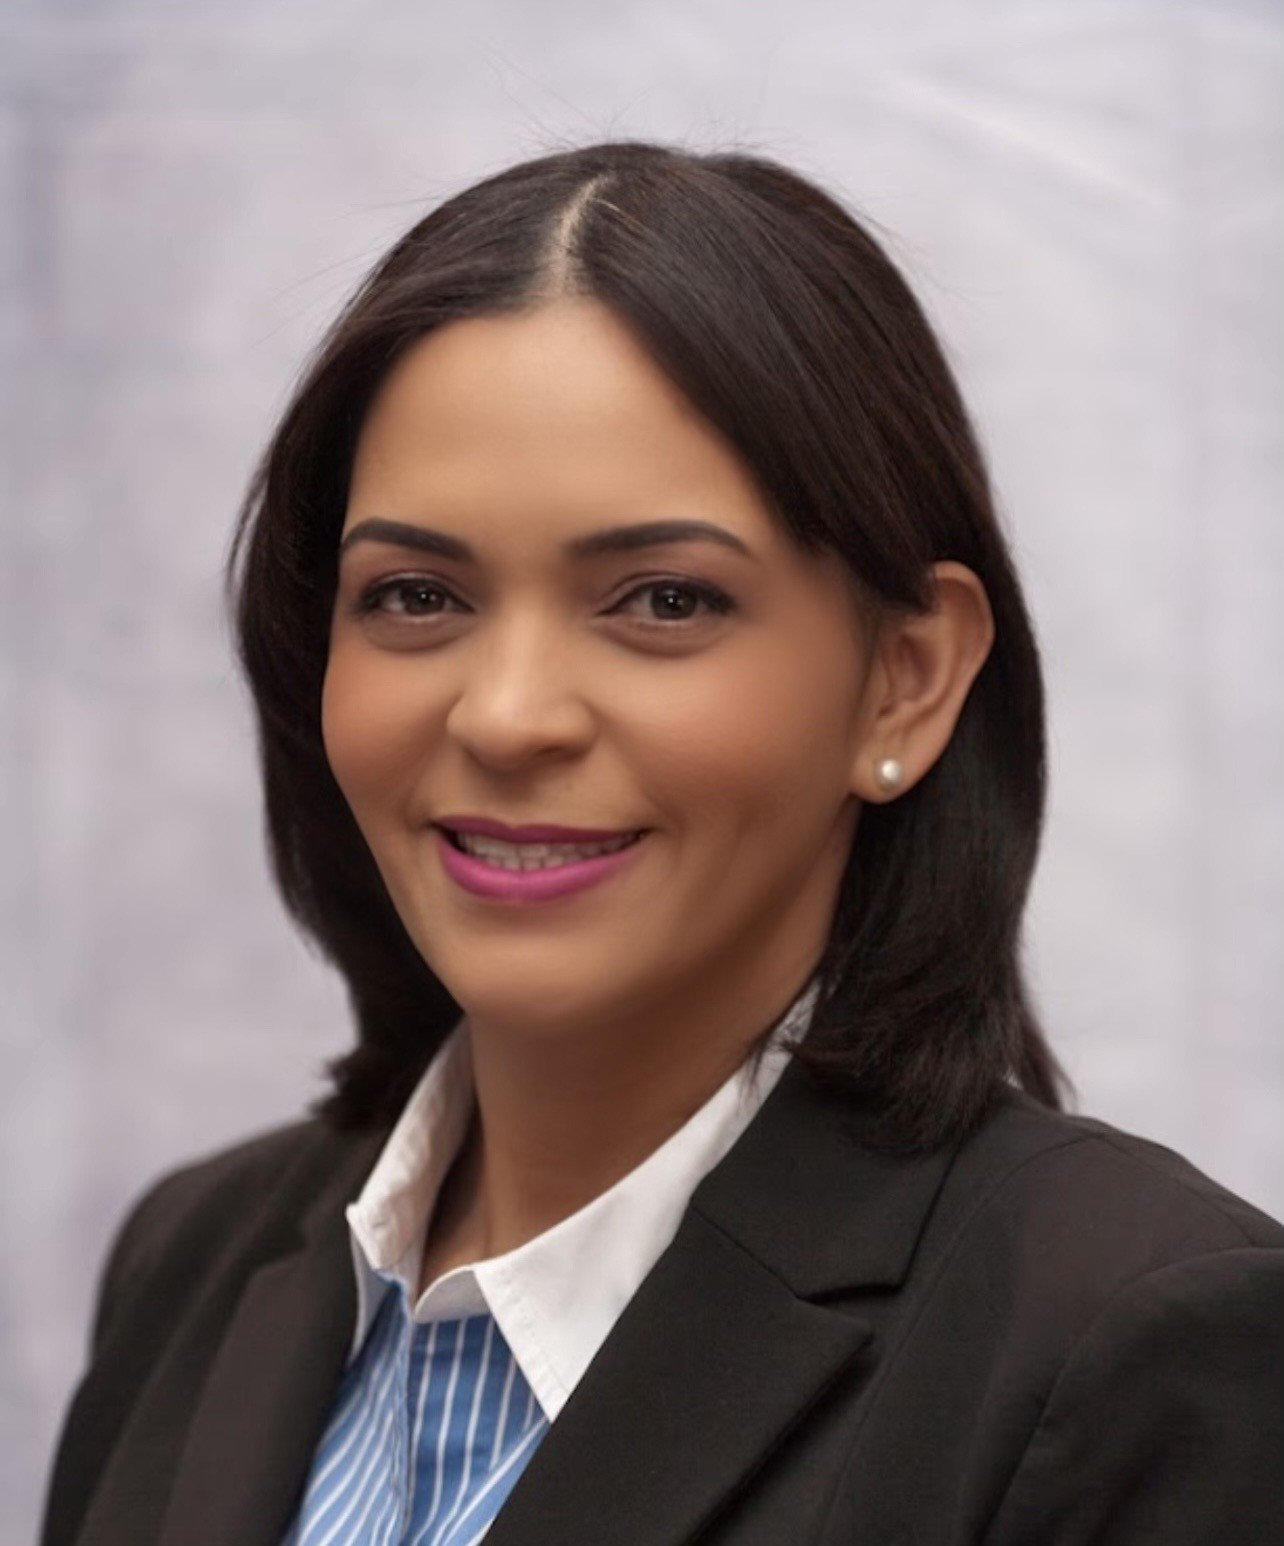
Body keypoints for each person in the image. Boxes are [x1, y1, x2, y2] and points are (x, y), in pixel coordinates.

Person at [39, 138, 1284, 1546]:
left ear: (907, 678)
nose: (507, 714)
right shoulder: (196, 1260)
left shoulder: (1134, 1341)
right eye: (415, 594)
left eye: (663, 601)